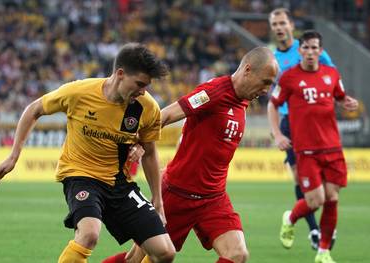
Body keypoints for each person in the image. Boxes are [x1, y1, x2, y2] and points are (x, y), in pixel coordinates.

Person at [0, 43, 176, 263]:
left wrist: (158, 199)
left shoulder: (147, 107)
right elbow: (34, 109)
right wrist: (13, 156)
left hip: (119, 183)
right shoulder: (79, 92)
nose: (143, 91)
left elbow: (149, 152)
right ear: (120, 74)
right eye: (139, 84)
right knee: (89, 234)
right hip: (81, 176)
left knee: (165, 253)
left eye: (146, 86)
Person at [103, 46, 279, 263]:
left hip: (214, 198)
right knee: (136, 260)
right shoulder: (213, 93)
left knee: (237, 254)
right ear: (248, 70)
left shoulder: (243, 99)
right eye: (265, 82)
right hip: (178, 195)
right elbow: (165, 115)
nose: (266, 90)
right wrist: (137, 142)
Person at [268, 30, 358, 263]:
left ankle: (323, 252)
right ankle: (290, 218)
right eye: (306, 48)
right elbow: (273, 105)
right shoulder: (289, 78)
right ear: (300, 51)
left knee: (332, 198)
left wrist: (347, 102)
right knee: (315, 201)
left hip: (333, 148)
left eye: (314, 48)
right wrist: (277, 134)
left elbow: (340, 96)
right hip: (306, 150)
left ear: (320, 51)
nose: (310, 52)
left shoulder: (331, 73)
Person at [268, 7, 336, 249]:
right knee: (299, 178)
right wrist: (276, 131)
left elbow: (332, 78)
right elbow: (273, 97)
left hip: (316, 125)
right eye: (274, 24)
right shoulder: (273, 59)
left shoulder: (311, 49)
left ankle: (323, 224)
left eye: (281, 23)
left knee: (327, 182)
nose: (278, 27)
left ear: (291, 24)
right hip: (289, 123)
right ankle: (315, 231)